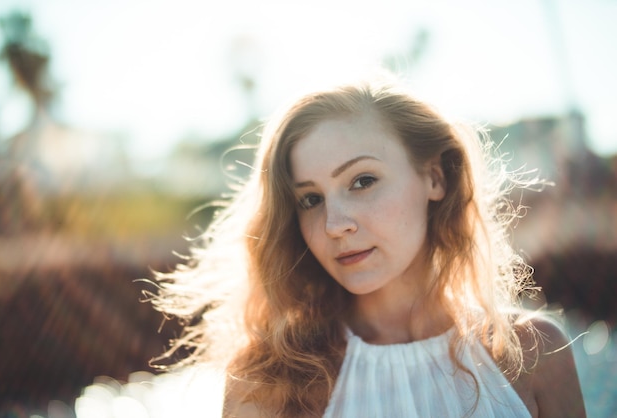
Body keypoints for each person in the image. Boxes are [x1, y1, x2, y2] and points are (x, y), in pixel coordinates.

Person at [150, 74, 585, 417]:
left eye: (362, 181)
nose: (335, 225)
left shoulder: (534, 355)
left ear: (435, 178)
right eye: (311, 199)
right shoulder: (268, 384)